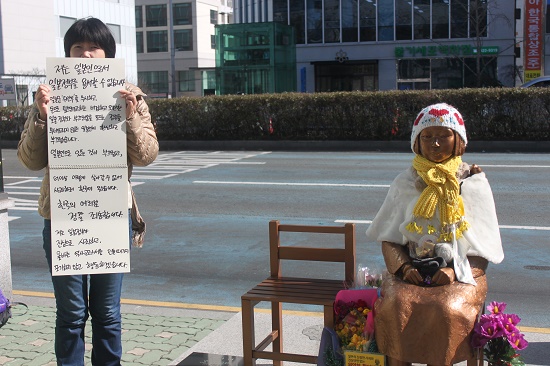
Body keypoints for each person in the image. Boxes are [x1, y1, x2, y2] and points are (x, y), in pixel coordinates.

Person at [17, 17, 159, 366]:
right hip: (63, 216)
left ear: (107, 53)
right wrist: (42, 117)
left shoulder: (130, 96)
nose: (85, 54)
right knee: (71, 314)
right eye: (76, 48)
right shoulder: (49, 96)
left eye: (93, 47)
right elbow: (30, 161)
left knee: (108, 313)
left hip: (111, 215)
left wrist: (131, 117)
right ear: (67, 54)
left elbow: (147, 155)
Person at [365, 103, 504, 365]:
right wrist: (405, 268)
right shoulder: (405, 182)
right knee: (396, 305)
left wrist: (454, 272)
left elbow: (483, 248)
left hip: (461, 275)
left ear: (458, 140)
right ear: (417, 141)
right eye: (427, 137)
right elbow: (389, 237)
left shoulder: (472, 183)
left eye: (443, 136)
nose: (435, 144)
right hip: (411, 271)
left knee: (446, 310)